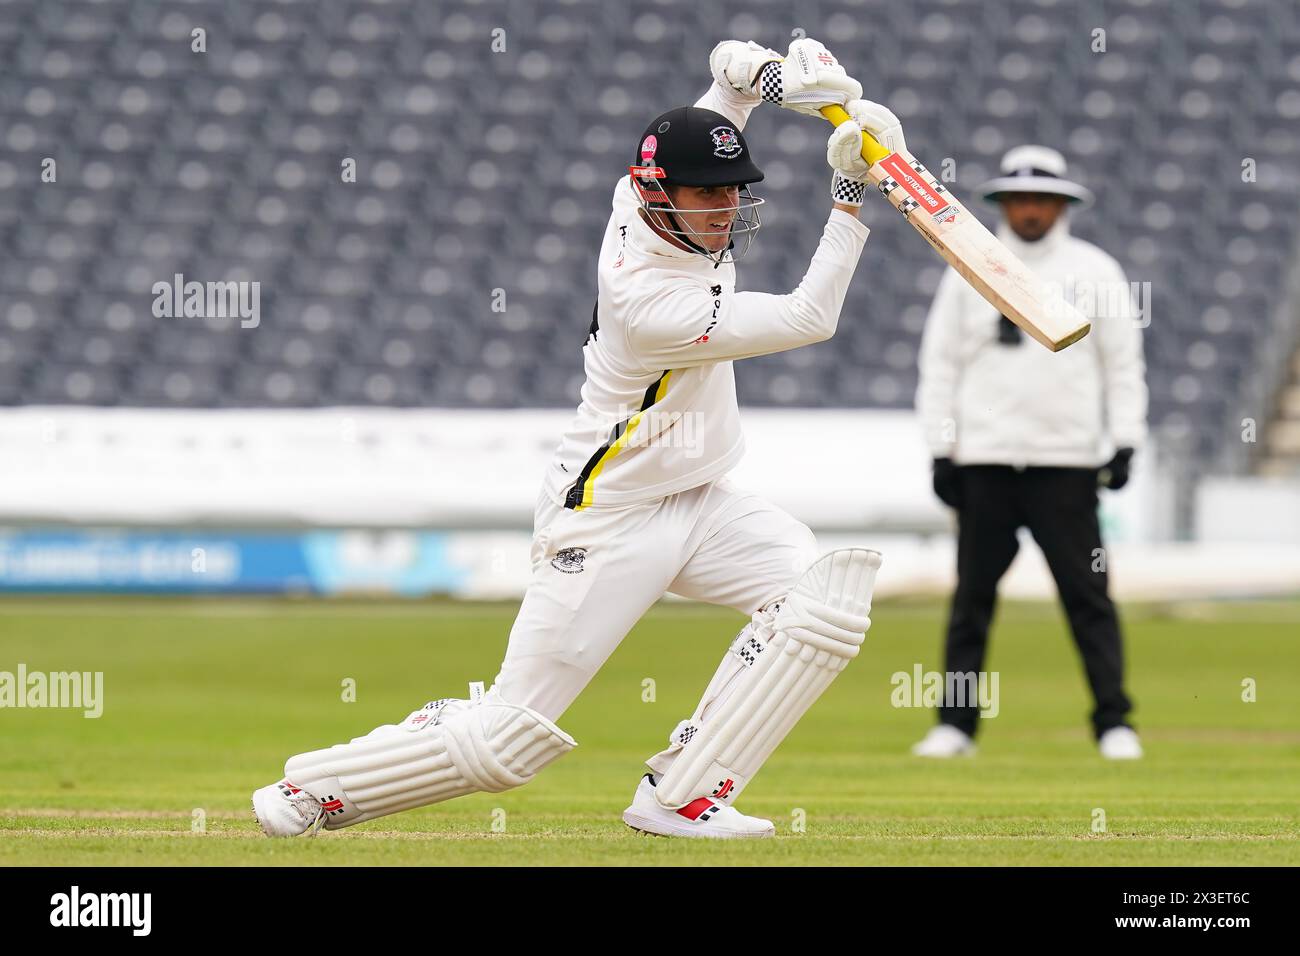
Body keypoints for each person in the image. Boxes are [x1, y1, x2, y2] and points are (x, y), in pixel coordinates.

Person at [253, 37, 904, 838]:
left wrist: (768, 80)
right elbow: (811, 316)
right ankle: (313, 791)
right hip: (608, 517)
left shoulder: (646, 196)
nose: (726, 210)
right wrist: (849, 192)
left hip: (701, 501)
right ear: (658, 197)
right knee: (508, 742)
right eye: (708, 198)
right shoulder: (648, 304)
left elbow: (722, 72)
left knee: (820, 601)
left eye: (734, 193)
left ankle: (682, 795)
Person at [912, 145, 1148, 760]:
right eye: (1020, 199)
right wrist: (942, 449)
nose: (1031, 210)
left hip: (1065, 464)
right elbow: (939, 363)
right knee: (971, 601)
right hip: (985, 461)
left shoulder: (1096, 270)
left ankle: (1113, 723)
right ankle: (956, 727)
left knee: (1088, 597)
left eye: (1042, 199)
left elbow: (1122, 364)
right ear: (1002, 204)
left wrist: (1125, 441)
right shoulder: (965, 264)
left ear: (1062, 205)